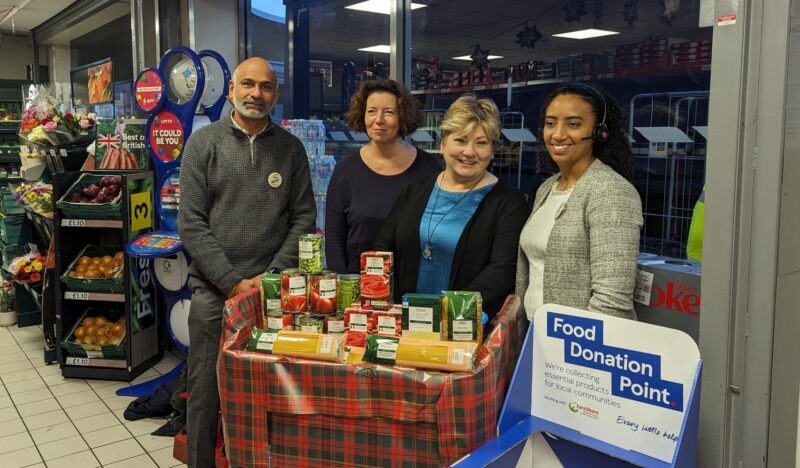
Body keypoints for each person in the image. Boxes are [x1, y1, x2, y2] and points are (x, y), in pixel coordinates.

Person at [179, 57, 316, 467]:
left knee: (271, 388)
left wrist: (269, 278)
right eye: (248, 84)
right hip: (213, 291)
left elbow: (304, 219)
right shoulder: (203, 145)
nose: (257, 94)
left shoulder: (291, 149)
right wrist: (232, 282)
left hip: (274, 293)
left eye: (266, 87)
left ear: (276, 94)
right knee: (204, 390)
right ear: (231, 91)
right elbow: (191, 224)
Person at [373, 94, 527, 319]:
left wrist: (445, 315)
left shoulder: (509, 203)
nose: (470, 152)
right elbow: (383, 246)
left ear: (493, 150)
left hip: (463, 325)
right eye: (461, 140)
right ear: (443, 143)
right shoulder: (414, 190)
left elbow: (501, 272)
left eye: (481, 143)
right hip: (404, 322)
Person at [516, 83, 643, 321]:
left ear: (599, 132)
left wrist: (575, 341)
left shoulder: (610, 191)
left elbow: (612, 301)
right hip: (537, 333)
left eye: (573, 124)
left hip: (575, 339)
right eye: (550, 123)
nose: (558, 134)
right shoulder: (547, 187)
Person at [325, 79, 441, 273]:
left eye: (389, 112)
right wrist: (342, 284)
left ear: (403, 116)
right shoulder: (345, 170)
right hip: (357, 284)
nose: (378, 119)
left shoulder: (428, 168)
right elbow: (334, 239)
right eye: (371, 111)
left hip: (413, 283)